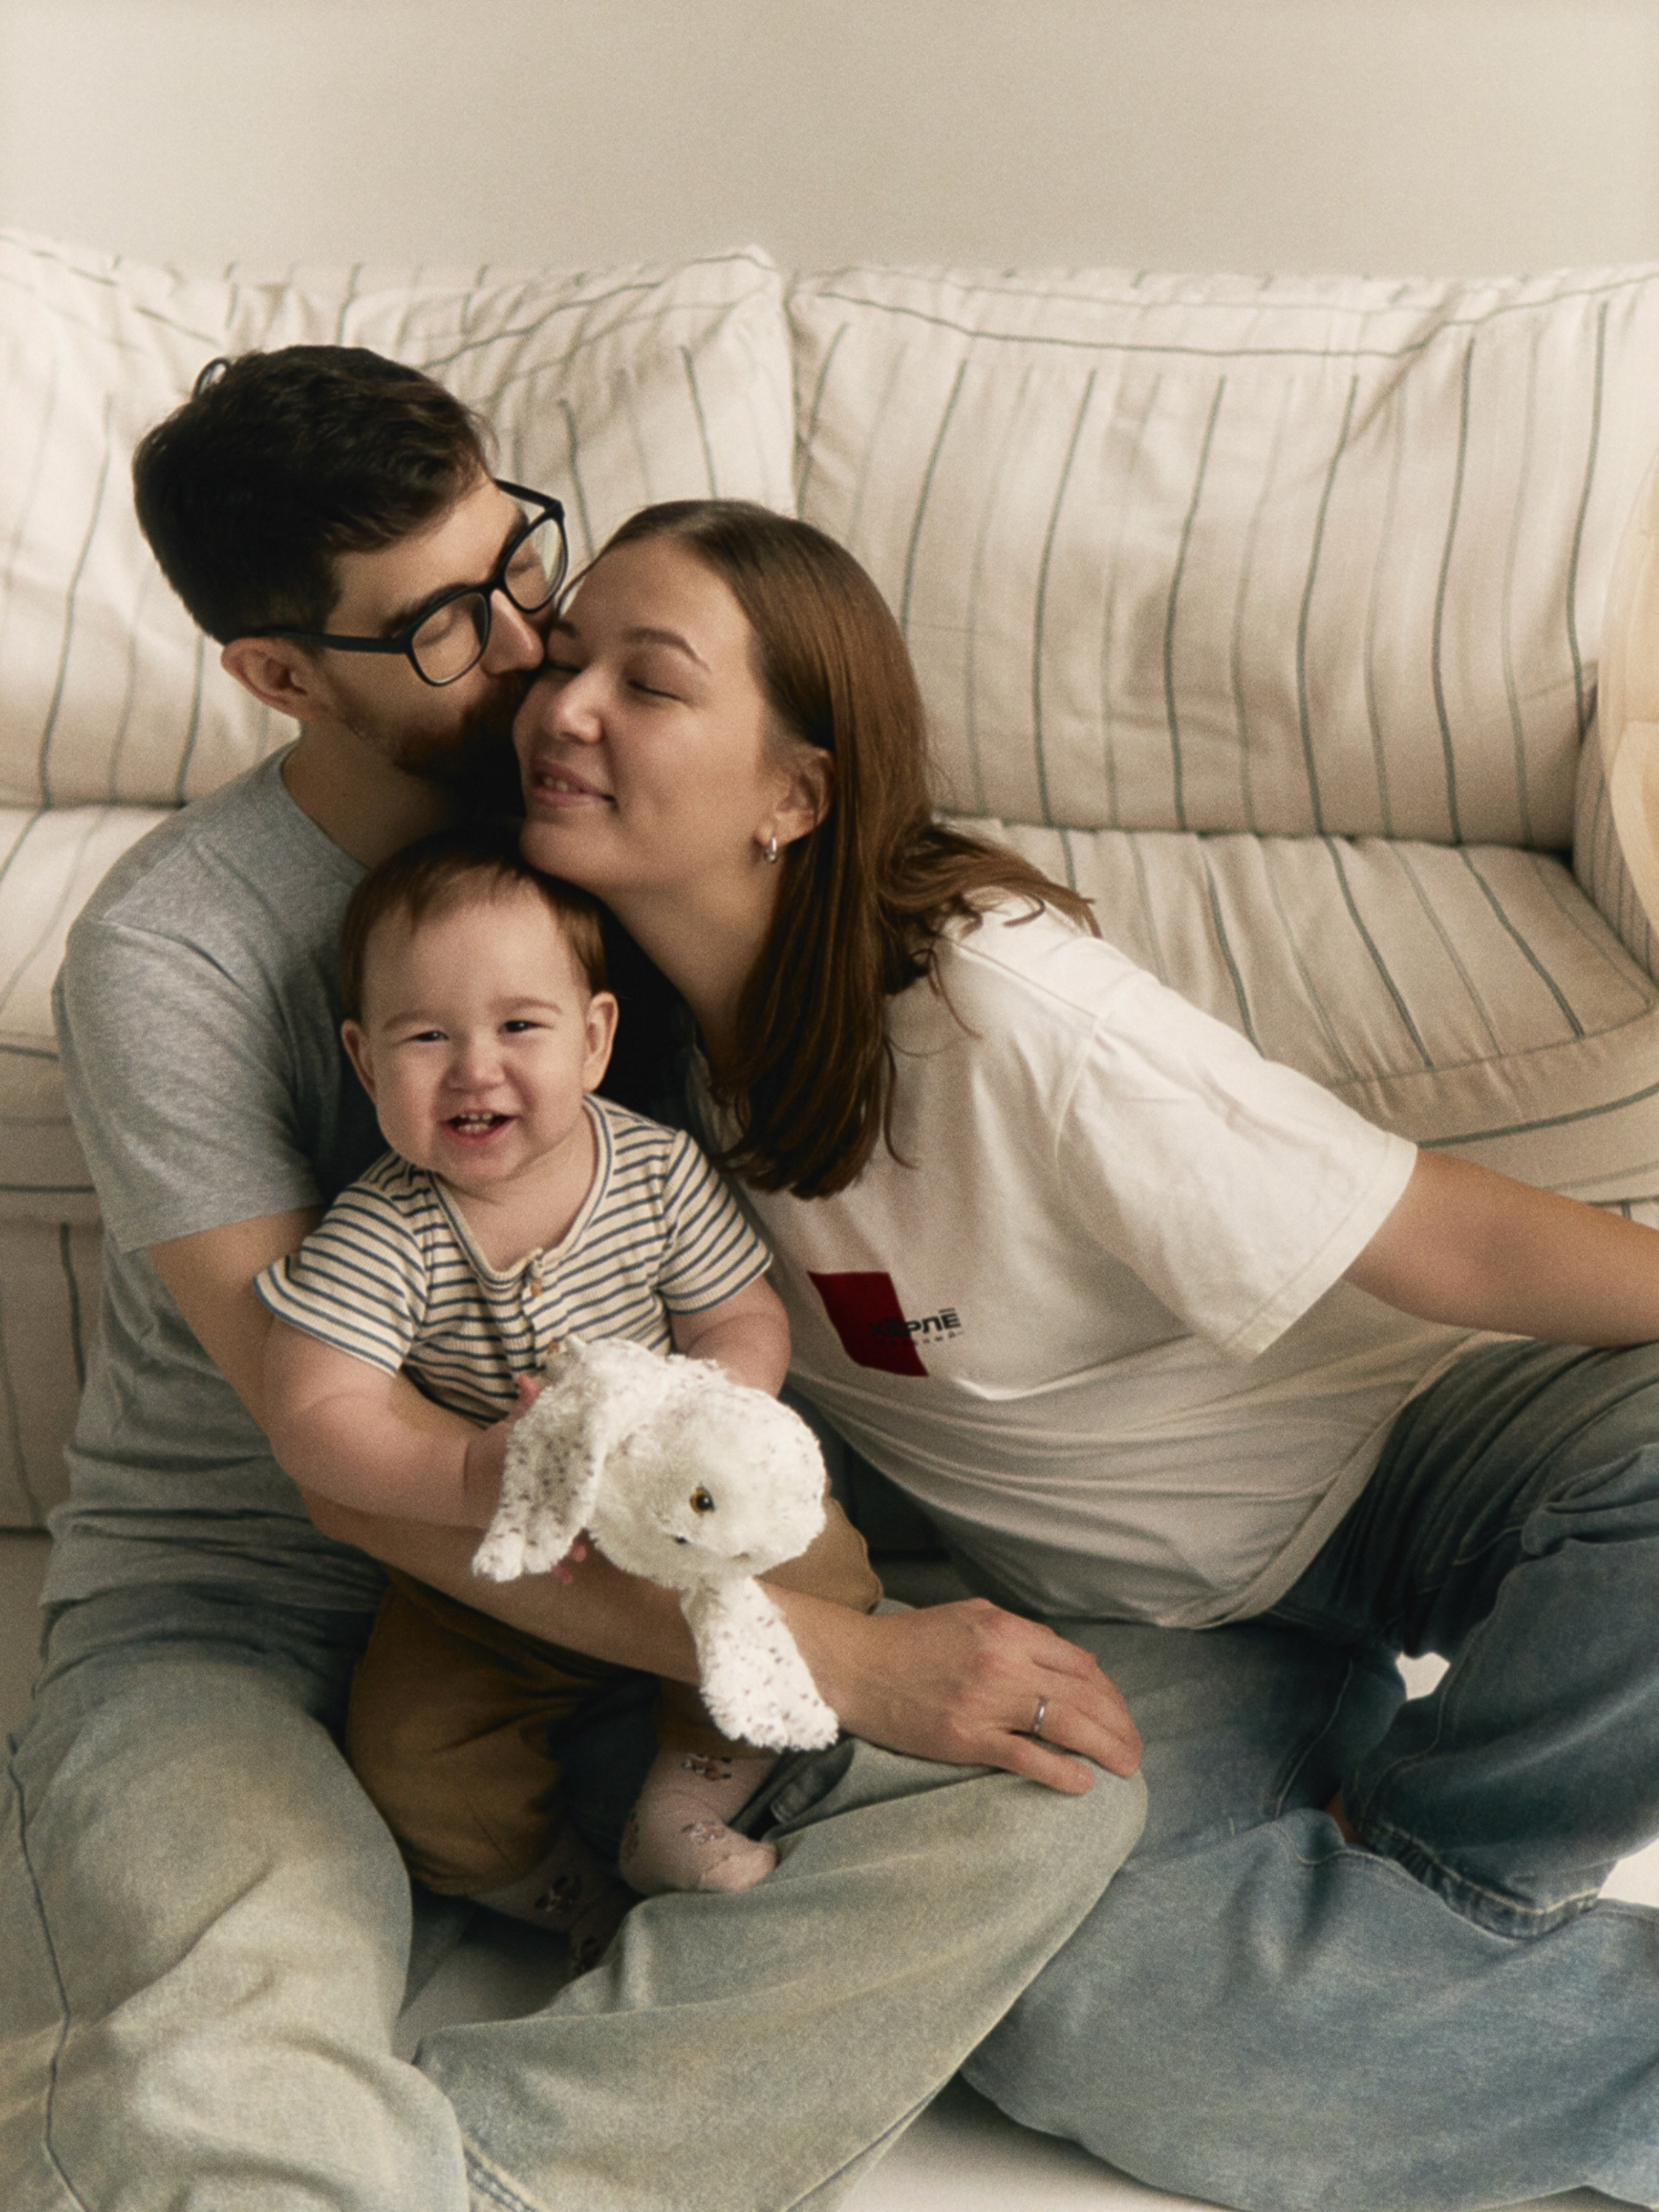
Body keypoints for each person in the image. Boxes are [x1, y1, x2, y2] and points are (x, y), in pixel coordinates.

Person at [0, 350, 1146, 2212]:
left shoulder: (608, 838)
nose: (532, 645)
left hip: (625, 1575)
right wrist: (837, 1657)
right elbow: (337, 1463)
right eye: (442, 625)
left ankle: (499, 2175)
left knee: (1044, 1803)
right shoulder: (172, 954)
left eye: (516, 557)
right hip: (250, 1606)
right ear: (283, 677)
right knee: (225, 2019)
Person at [511, 493, 1659, 2212]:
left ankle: (1433, 1886)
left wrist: (1431, 1897)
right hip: (1130, 1621)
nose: (564, 708)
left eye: (646, 680)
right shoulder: (582, 1064)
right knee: (1072, 2009)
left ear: (795, 794)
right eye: (559, 659)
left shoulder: (999, 1006)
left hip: (1408, 1451)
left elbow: (1445, 1238)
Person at [256, 823, 883, 1923]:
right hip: (491, 1571)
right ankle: (556, 1891)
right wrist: (469, 1475)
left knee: (828, 1568)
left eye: (518, 1025)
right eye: (426, 1036)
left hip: (669, 1513)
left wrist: (704, 1411)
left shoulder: (654, 1171)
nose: (475, 1066)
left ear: (594, 1040)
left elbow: (741, 1315)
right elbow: (314, 1412)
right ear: (363, 1061)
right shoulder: (385, 1231)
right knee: (411, 1753)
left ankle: (686, 1794)